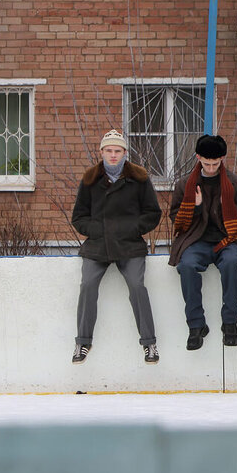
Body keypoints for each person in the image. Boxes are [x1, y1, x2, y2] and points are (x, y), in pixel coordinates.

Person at [70, 129, 162, 364]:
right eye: (109, 150)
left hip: (130, 245)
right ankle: (82, 342)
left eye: (117, 151)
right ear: (101, 152)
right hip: (97, 246)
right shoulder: (90, 179)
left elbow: (153, 213)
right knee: (88, 284)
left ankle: (149, 344)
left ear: (124, 153)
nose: (113, 155)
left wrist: (132, 228)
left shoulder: (139, 178)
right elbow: (79, 217)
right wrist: (96, 230)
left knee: (137, 285)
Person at [169, 134, 237, 350]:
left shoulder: (236, 184)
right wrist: (194, 206)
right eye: (206, 162)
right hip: (196, 240)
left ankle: (230, 322)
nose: (210, 167)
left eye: (215, 163)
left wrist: (228, 208)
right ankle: (196, 325)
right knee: (186, 266)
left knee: (232, 263)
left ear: (222, 159)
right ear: (198, 157)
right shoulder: (184, 185)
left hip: (228, 240)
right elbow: (176, 220)